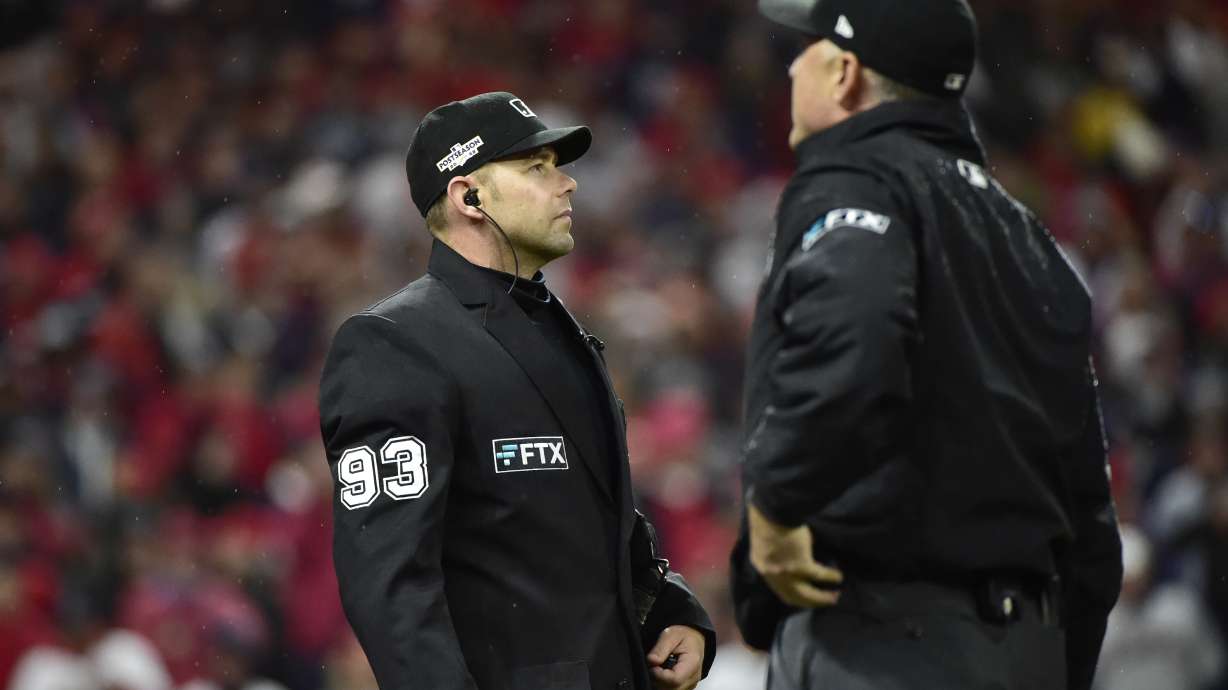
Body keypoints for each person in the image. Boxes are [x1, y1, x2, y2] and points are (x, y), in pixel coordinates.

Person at [730, 1, 1124, 689]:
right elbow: (1089, 509)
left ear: (846, 73)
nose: (793, 64)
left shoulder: (856, 179)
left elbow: (857, 341)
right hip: (1026, 644)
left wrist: (774, 506)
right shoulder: (1027, 237)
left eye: (809, 45)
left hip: (886, 637)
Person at [318, 92, 715, 690]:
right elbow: (391, 584)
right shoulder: (395, 345)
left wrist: (666, 608)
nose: (568, 185)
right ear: (468, 197)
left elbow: (587, 515)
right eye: (537, 168)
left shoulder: (563, 329)